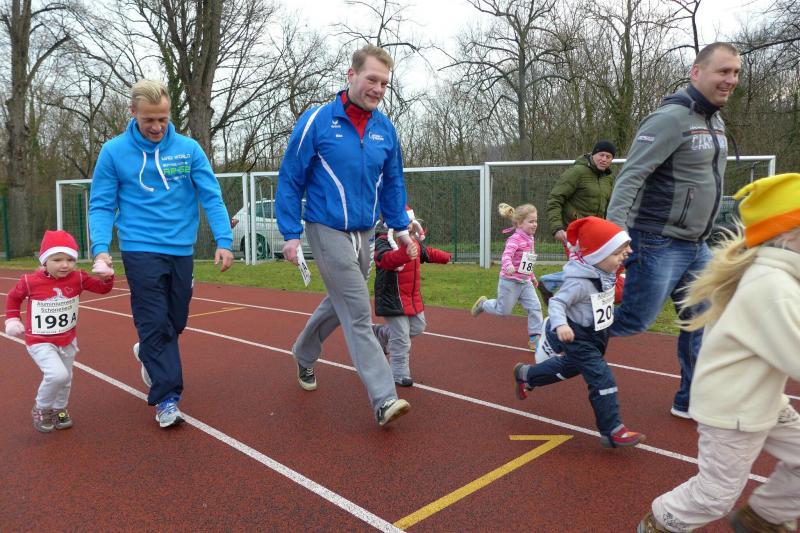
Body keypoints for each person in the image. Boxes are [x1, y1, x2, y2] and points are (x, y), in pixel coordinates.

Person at [637, 173, 800, 533]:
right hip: (733, 410)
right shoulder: (771, 286)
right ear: (789, 233)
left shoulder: (780, 277)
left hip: (761, 400)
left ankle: (763, 517)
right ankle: (659, 523)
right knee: (714, 496)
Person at [275, 44, 415, 427]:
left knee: (340, 300)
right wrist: (290, 233)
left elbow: (393, 182)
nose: (378, 89)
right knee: (357, 310)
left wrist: (400, 227)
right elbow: (291, 178)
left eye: (384, 83)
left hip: (365, 231)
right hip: (325, 228)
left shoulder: (385, 129)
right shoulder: (318, 120)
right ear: (351, 75)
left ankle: (304, 352)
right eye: (372, 79)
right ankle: (384, 398)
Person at [605, 42, 741, 419]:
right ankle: (561, 330)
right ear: (696, 72)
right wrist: (614, 237)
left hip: (697, 244)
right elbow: (630, 177)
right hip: (657, 240)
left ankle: (690, 399)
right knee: (634, 321)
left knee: (702, 319)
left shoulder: (716, 121)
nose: (731, 80)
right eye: (723, 71)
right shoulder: (669, 119)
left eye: (735, 73)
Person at [88, 79, 234, 429]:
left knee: (175, 321)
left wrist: (224, 240)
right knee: (153, 321)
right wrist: (100, 250)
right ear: (133, 113)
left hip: (180, 248)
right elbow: (102, 204)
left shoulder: (188, 149)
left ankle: (148, 352)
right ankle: (167, 398)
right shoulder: (114, 152)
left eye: (163, 119)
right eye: (149, 120)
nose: (156, 127)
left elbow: (210, 196)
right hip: (139, 247)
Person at [512, 217, 645, 449]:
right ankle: (612, 430)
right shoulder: (580, 282)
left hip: (596, 336)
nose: (622, 258)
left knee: (568, 367)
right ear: (597, 256)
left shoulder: (606, 273)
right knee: (601, 376)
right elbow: (557, 303)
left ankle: (527, 375)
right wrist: (561, 325)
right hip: (577, 336)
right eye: (617, 254)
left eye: (623, 253)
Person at [4, 230, 115, 432]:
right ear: (44, 261)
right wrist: (12, 319)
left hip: (67, 340)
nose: (65, 265)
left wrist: (107, 276)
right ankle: (41, 407)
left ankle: (59, 409)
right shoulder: (30, 281)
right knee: (57, 375)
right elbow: (13, 298)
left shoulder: (78, 278)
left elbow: (102, 289)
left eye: (70, 260)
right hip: (40, 340)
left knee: (66, 378)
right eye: (57, 260)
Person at [373, 206, 451, 386]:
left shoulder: (413, 240)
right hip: (392, 297)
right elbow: (384, 259)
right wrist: (404, 253)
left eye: (410, 222)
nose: (408, 226)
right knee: (401, 339)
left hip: (411, 296)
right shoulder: (382, 241)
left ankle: (382, 333)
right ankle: (398, 373)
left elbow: (426, 253)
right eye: (405, 222)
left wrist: (444, 256)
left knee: (418, 326)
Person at [539, 140, 619, 304]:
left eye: (608, 157)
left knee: (595, 270)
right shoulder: (577, 172)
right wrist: (557, 227)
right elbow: (555, 198)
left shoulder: (608, 178)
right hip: (574, 232)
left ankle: (552, 285)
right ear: (593, 154)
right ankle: (568, 301)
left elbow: (608, 206)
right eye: (601, 155)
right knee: (588, 271)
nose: (604, 159)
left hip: (596, 233)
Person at [471, 202, 544, 351]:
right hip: (509, 282)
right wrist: (509, 266)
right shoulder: (514, 239)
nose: (535, 224)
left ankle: (535, 339)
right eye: (531, 221)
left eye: (536, 221)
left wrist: (532, 276)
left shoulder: (530, 238)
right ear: (520, 223)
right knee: (503, 311)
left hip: (525, 282)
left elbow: (528, 259)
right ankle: (484, 304)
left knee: (535, 307)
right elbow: (506, 256)